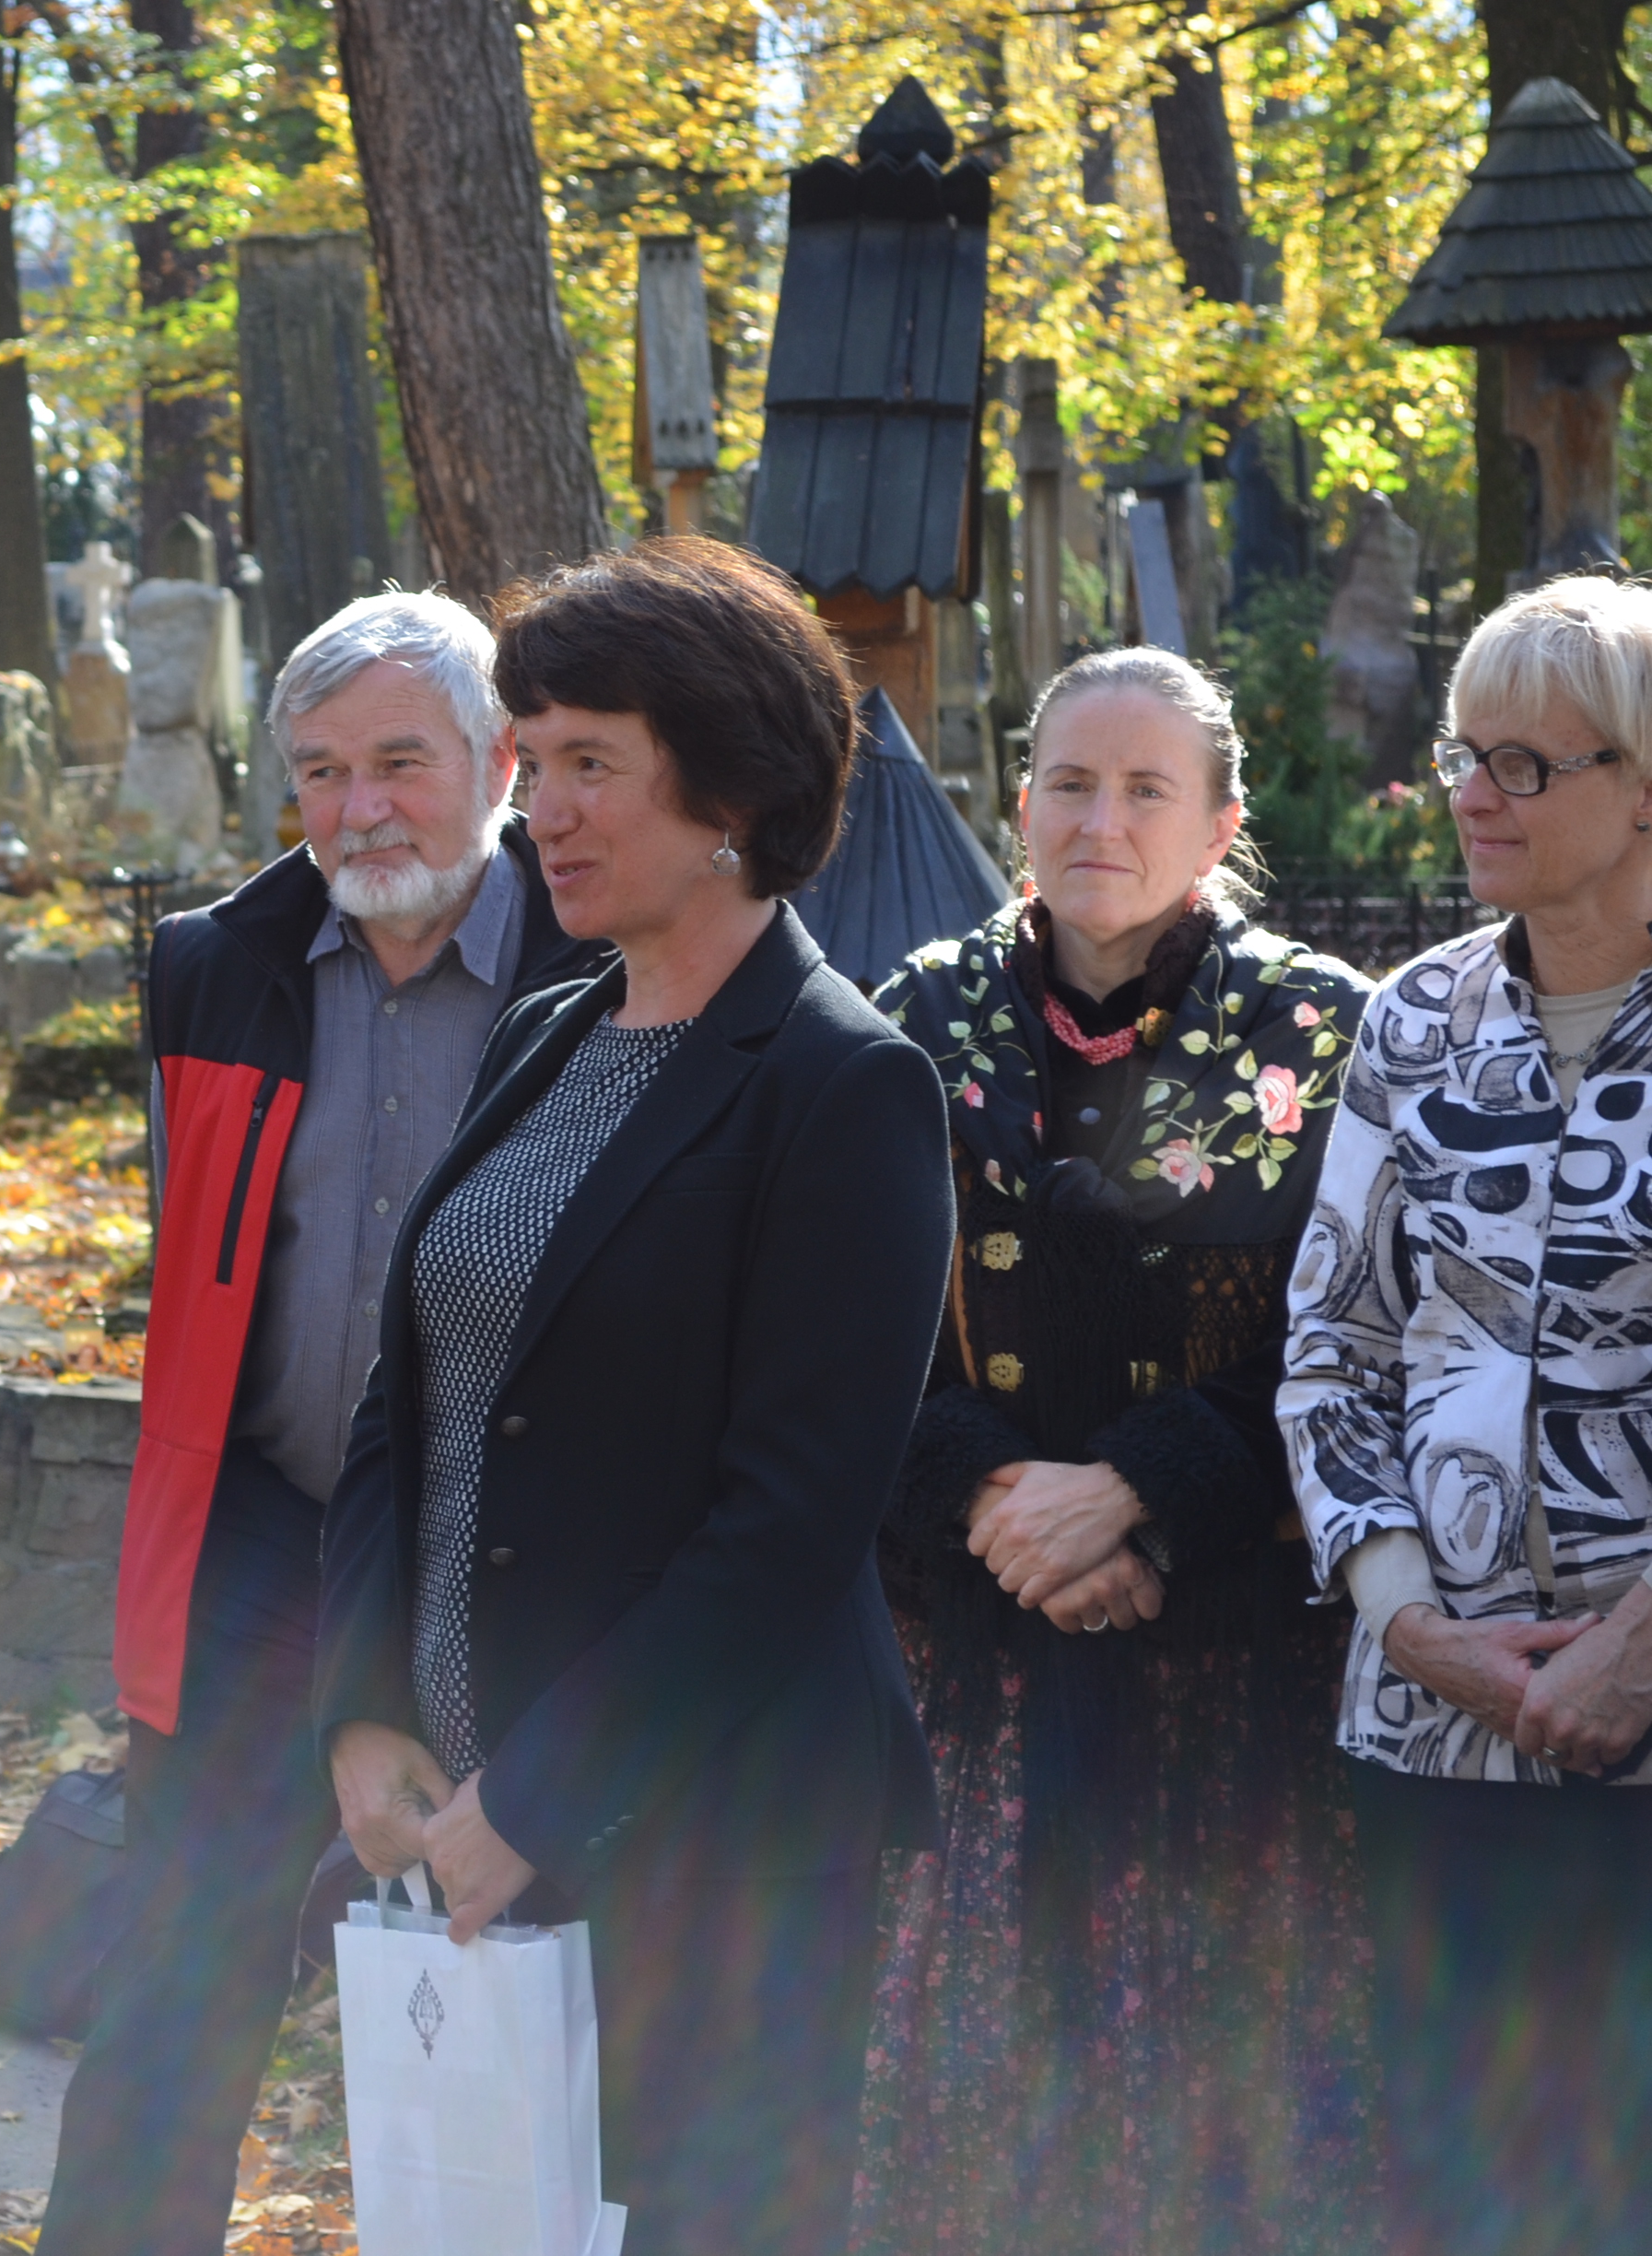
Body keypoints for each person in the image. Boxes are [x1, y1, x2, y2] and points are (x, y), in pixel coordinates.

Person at [312, 539, 949, 2254]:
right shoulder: (547, 1031)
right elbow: (407, 1396)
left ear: (730, 785)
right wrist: (364, 1707)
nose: (542, 812)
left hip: (717, 1846)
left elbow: (789, 1526)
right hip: (466, 1819)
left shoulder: (845, 1083)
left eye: (591, 761)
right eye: (531, 762)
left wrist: (540, 1796)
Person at [33, 592, 604, 2253]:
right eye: (322, 771)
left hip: (526, 1567)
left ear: (499, 764)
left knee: (535, 1997)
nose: (360, 810)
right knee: (175, 1995)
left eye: (401, 763)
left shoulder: (608, 968)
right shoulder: (217, 965)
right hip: (266, 1550)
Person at [858, 650, 1377, 2255]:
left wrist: (1148, 1487)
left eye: (1148, 789)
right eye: (1072, 783)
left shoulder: (1325, 1031)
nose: (1102, 820)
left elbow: (1365, 1329)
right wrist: (993, 1496)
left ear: (1220, 822)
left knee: (1230, 2114)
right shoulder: (913, 1020)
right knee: (991, 2108)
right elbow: (840, 1321)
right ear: (1019, 803)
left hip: (1239, 1665)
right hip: (984, 1657)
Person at [1283, 575, 1652, 2251]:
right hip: (1435, 1736)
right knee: (1463, 2192)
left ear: (1641, 790)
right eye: (1462, 753)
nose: (1471, 794)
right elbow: (1332, 1346)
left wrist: (1631, 1652)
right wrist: (1411, 1624)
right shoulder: (1412, 1021)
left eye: (1525, 763)